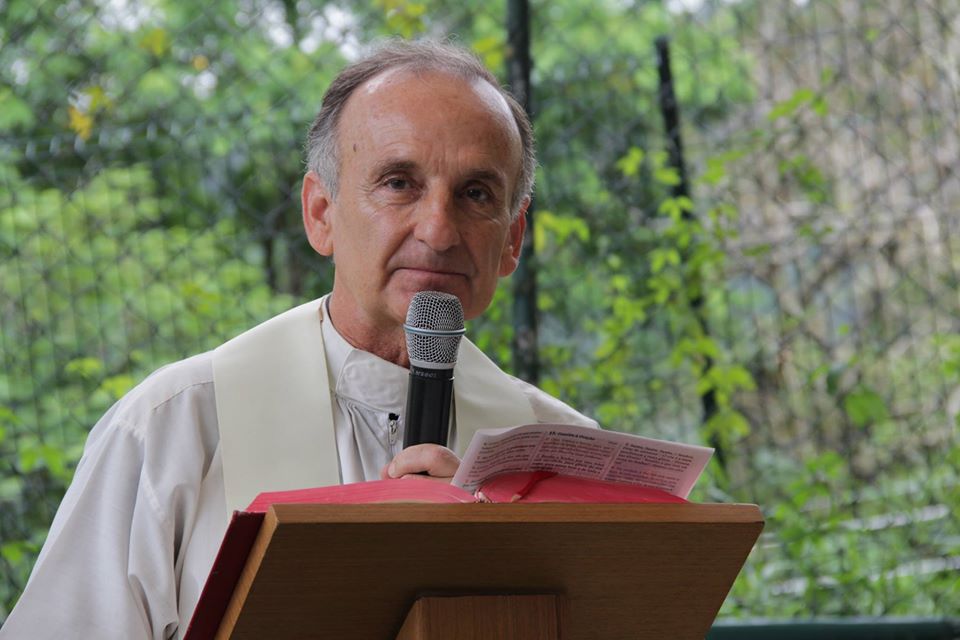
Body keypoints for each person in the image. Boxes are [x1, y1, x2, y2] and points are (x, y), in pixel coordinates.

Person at [0, 39, 596, 639]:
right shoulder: (175, 428)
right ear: (321, 213)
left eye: (475, 194)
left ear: (513, 239)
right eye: (398, 183)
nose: (439, 230)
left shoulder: (566, 459)